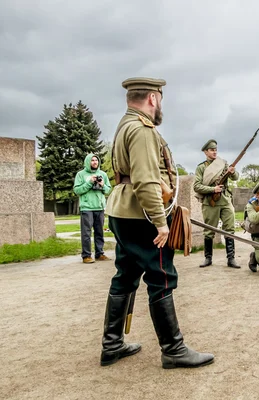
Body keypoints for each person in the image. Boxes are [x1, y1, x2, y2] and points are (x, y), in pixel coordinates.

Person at [101, 77, 213, 369]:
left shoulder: (125, 124)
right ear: (153, 98)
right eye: (160, 98)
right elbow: (147, 180)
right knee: (161, 275)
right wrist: (161, 223)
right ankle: (173, 350)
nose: (160, 104)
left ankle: (111, 345)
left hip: (123, 211)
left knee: (125, 275)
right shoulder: (142, 130)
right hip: (142, 215)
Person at [193, 139, 240, 268]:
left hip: (225, 200)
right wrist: (213, 189)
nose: (214, 152)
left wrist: (232, 171)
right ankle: (208, 258)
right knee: (209, 231)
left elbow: (236, 178)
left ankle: (231, 259)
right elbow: (197, 186)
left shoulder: (223, 164)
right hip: (210, 202)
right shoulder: (201, 167)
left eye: (215, 150)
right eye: (212, 150)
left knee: (229, 229)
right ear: (205, 152)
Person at [73, 154, 112, 263]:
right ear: (87, 162)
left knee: (99, 232)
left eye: (96, 160)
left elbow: (108, 190)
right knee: (86, 233)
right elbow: (77, 190)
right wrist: (89, 182)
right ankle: (86, 256)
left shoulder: (102, 174)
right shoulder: (80, 175)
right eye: (92, 160)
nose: (95, 162)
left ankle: (100, 254)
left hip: (99, 207)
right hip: (87, 207)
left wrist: (103, 185)